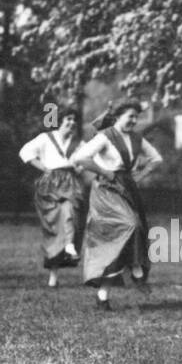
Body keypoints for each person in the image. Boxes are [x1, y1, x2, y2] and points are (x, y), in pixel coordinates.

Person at [71, 100, 162, 309]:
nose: (134, 120)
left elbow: (156, 159)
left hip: (127, 188)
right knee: (129, 226)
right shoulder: (105, 136)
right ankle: (136, 270)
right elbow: (80, 158)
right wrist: (104, 172)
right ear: (118, 117)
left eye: (136, 117)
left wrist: (139, 175)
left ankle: (103, 297)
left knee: (120, 242)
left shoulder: (137, 138)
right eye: (130, 116)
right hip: (106, 190)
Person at [19, 107, 88, 287]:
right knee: (54, 229)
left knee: (70, 210)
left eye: (75, 120)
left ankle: (70, 246)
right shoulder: (46, 138)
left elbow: (88, 159)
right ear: (60, 120)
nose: (72, 123)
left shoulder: (79, 143)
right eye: (68, 119)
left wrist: (80, 167)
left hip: (71, 183)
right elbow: (25, 152)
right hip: (50, 184)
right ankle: (53, 278)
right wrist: (44, 168)